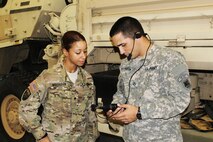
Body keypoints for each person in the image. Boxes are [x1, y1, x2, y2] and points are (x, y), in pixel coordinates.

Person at [107, 16, 192, 142]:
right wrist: (115, 107)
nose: (121, 52)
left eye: (123, 45)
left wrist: (140, 112)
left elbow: (181, 100)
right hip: (131, 138)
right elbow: (121, 93)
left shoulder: (171, 59)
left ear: (138, 36)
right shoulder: (126, 64)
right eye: (117, 47)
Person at [19, 31, 98, 142]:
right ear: (65, 51)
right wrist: (41, 135)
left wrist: (92, 138)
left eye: (85, 51)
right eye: (78, 52)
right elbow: (26, 108)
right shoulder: (48, 77)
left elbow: (91, 113)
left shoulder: (87, 79)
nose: (83, 56)